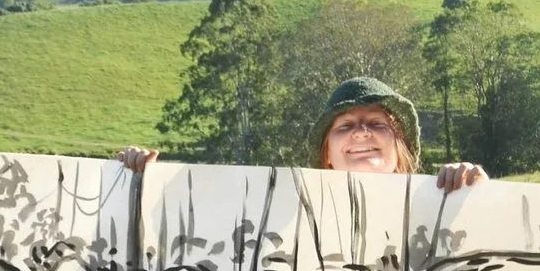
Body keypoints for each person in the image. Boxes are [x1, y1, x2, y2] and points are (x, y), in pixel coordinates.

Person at [120, 77, 488, 189]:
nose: (361, 133)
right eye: (345, 125)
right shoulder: (284, 210)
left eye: (377, 123)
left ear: (400, 145)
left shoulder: (443, 201)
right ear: (326, 152)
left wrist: (477, 194)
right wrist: (134, 183)